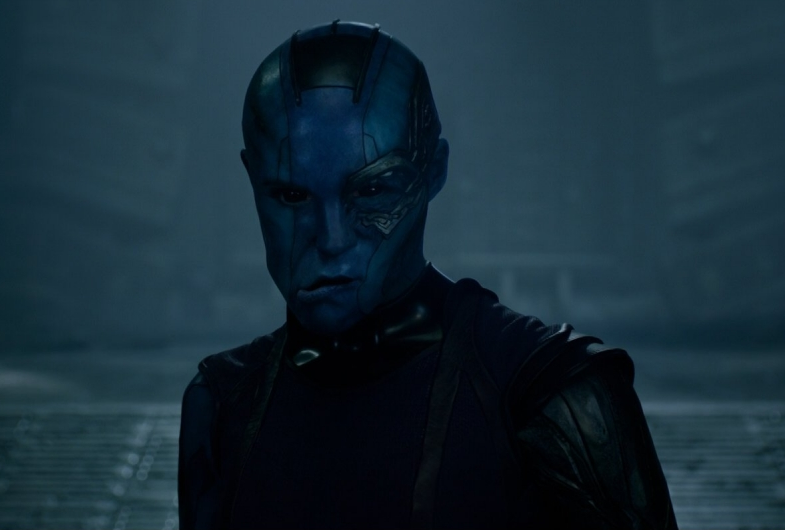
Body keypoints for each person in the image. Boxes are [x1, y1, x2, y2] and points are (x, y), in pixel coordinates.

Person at [179, 21, 677, 529]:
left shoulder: (554, 396)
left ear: (433, 171)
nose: (331, 238)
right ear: (253, 180)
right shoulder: (223, 403)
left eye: (373, 191)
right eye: (292, 196)